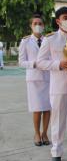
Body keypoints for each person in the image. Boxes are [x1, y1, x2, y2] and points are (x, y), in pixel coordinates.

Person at [37, 6, 67, 161]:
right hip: (59, 86)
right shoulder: (50, 39)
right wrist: (59, 64)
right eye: (65, 18)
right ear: (58, 21)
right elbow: (40, 62)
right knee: (58, 120)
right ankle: (56, 152)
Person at [18, 14, 51, 146]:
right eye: (35, 23)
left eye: (40, 23)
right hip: (34, 79)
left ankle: (45, 133)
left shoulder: (48, 40)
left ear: (43, 26)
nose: (38, 26)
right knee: (37, 108)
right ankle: (37, 133)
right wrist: (34, 64)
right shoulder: (25, 41)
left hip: (48, 77)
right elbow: (21, 62)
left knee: (48, 108)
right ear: (31, 26)